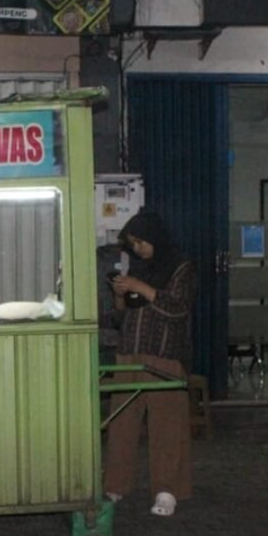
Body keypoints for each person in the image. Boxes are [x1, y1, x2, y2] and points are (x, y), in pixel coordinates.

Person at [103, 211, 196, 517]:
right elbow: (123, 315)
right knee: (122, 421)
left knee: (167, 425)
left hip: (164, 355)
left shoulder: (180, 266)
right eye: (133, 244)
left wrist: (140, 286)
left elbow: (176, 308)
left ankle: (167, 490)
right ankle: (115, 484)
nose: (138, 249)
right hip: (130, 352)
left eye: (141, 242)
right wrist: (120, 294)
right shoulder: (140, 268)